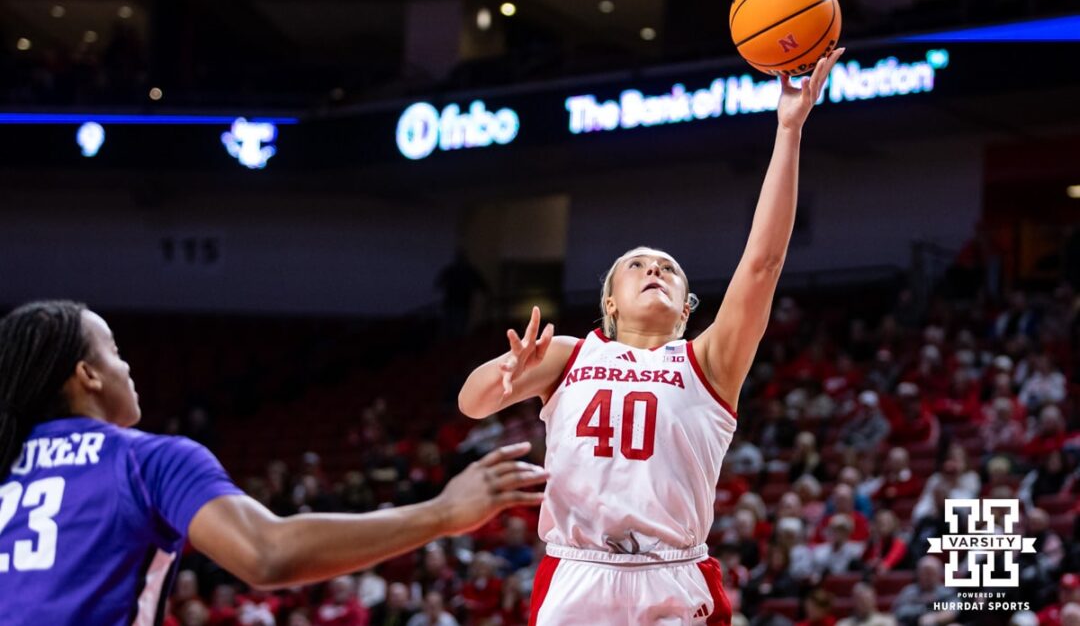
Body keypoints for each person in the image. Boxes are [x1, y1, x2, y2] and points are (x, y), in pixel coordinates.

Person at [458, 50, 845, 625]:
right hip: (577, 570)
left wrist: (789, 130)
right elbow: (472, 404)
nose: (654, 270)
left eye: (668, 268)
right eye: (637, 265)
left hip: (673, 573)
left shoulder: (709, 361)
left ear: (687, 309)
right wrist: (504, 375)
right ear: (609, 302)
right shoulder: (567, 353)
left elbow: (763, 264)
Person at [0, 300, 548, 626]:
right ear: (87, 376)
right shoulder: (146, 458)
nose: (127, 366)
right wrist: (442, 512)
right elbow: (267, 555)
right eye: (114, 351)